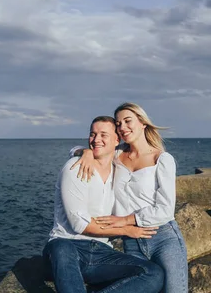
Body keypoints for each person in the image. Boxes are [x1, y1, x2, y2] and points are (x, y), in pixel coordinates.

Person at [70, 103, 188, 293]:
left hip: (163, 237)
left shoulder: (162, 159)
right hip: (130, 240)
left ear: (142, 123)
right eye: (118, 124)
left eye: (127, 121)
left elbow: (165, 209)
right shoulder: (116, 155)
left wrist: (124, 220)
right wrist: (85, 153)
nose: (123, 127)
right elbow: (82, 148)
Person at [43, 115, 164, 293]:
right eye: (92, 134)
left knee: (153, 273)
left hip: (101, 252)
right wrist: (126, 230)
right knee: (61, 248)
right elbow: (80, 224)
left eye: (103, 135)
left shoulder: (119, 169)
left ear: (117, 140)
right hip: (67, 247)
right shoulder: (75, 168)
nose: (96, 140)